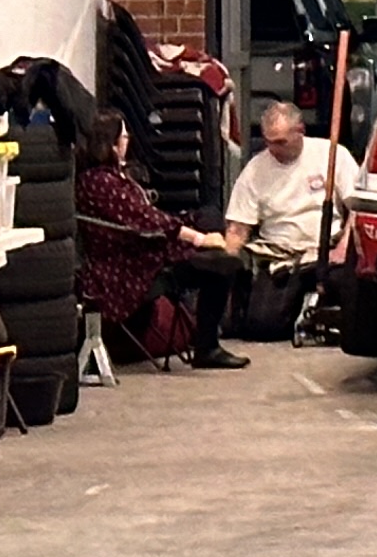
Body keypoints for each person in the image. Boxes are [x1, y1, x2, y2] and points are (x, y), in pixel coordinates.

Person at [74, 108, 248, 371]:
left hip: (144, 248)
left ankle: (207, 337)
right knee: (224, 266)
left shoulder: (112, 177)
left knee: (209, 215)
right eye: (123, 137)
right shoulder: (101, 182)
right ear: (111, 144)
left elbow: (147, 217)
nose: (127, 141)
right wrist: (198, 239)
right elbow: (146, 221)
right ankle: (207, 347)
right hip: (130, 268)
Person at [195, 98, 336, 342]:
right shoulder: (255, 170)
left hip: (329, 250)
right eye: (269, 142)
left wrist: (344, 248)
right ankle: (296, 312)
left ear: (300, 132)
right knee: (261, 328)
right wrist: (227, 263)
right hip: (282, 256)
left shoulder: (330, 155)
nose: (274, 149)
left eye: (280, 142)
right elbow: (239, 226)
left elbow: (356, 209)